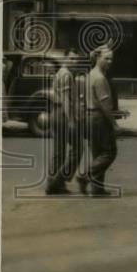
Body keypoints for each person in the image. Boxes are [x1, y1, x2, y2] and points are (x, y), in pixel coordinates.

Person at [76, 45, 118, 196]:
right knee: (109, 153)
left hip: (90, 116)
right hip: (99, 118)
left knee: (97, 153)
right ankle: (84, 176)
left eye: (112, 59)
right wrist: (114, 123)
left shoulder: (90, 75)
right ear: (98, 58)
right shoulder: (100, 78)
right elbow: (105, 104)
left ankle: (97, 189)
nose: (110, 62)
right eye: (106, 58)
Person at [45, 56, 82, 194]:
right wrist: (71, 120)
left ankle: (53, 183)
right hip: (63, 115)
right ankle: (57, 182)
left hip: (56, 112)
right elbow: (66, 99)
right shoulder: (66, 74)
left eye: (76, 59)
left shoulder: (60, 72)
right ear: (64, 59)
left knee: (59, 152)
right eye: (71, 58)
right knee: (78, 148)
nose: (75, 61)